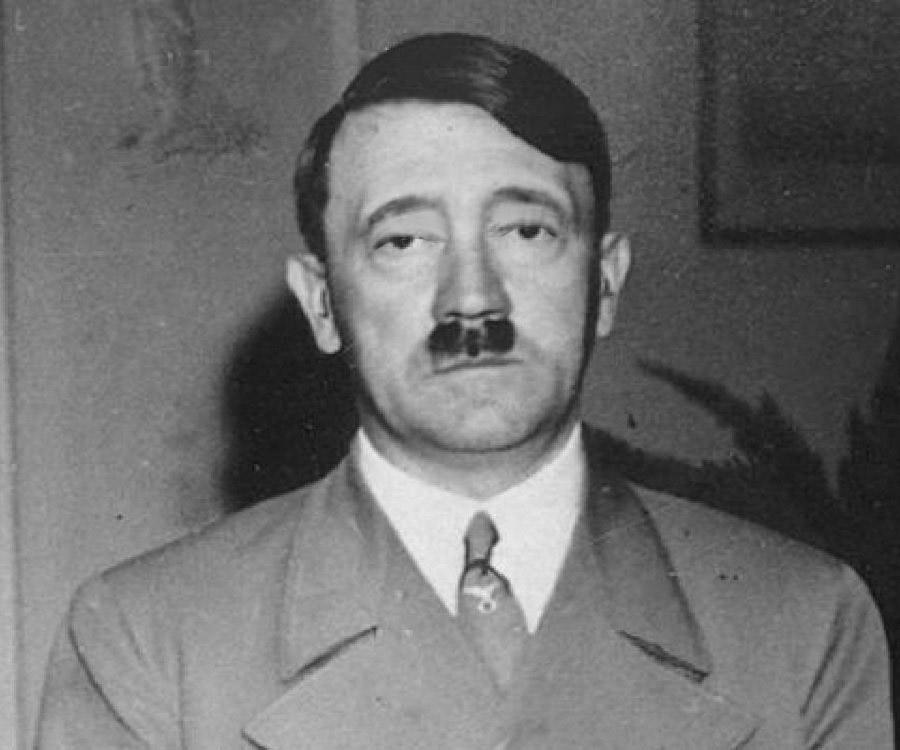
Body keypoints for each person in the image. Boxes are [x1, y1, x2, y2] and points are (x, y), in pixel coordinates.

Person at [36, 32, 892, 749]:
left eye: (526, 230)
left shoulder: (806, 624)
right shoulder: (145, 641)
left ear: (605, 282)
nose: (472, 299)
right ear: (323, 302)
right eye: (404, 242)